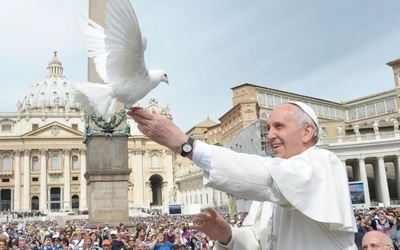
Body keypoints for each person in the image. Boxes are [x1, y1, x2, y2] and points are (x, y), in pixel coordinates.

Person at [128, 101, 357, 250]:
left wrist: (185, 145)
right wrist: (229, 235)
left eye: (279, 127)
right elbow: (257, 242)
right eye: (268, 129)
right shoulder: (274, 182)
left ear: (307, 132)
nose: (270, 136)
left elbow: (267, 176)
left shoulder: (324, 163)